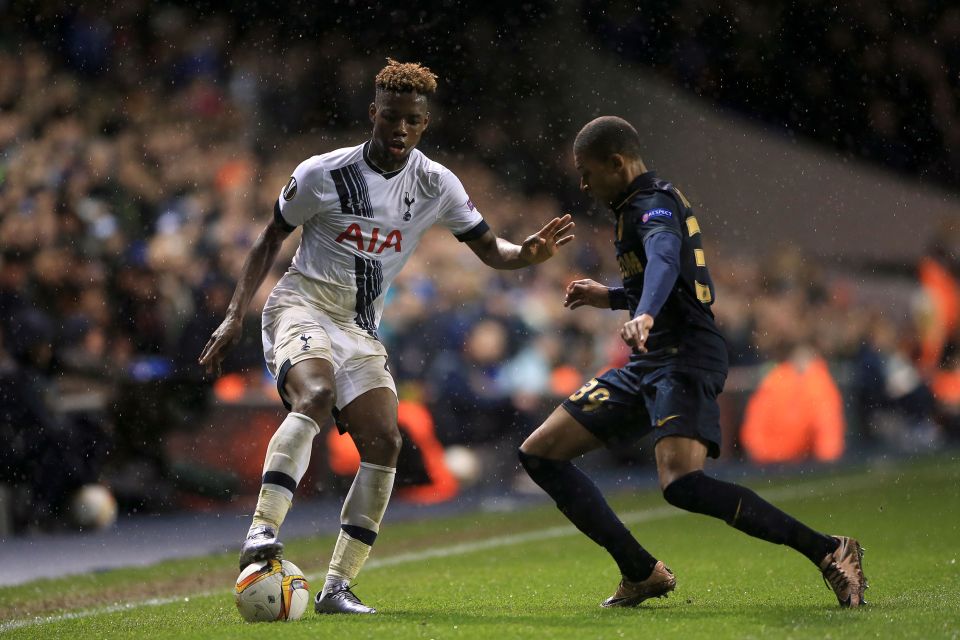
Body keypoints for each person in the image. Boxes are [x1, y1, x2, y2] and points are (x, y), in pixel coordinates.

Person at [198, 59, 574, 615]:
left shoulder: (437, 184)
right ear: (373, 114)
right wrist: (234, 315)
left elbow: (492, 249)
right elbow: (269, 237)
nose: (400, 130)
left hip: (359, 328)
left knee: (386, 442)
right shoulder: (323, 173)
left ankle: (337, 587)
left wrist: (527, 255)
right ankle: (260, 533)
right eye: (391, 117)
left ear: (425, 123)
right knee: (316, 395)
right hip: (301, 306)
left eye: (412, 121)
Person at [518, 116, 867, 609]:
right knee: (539, 453)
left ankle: (830, 549)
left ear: (617, 163)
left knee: (682, 485)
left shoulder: (652, 204)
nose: (583, 183)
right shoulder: (634, 205)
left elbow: (663, 259)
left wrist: (642, 313)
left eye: (587, 170)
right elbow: (672, 278)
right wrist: (613, 297)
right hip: (651, 358)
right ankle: (640, 571)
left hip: (685, 356)